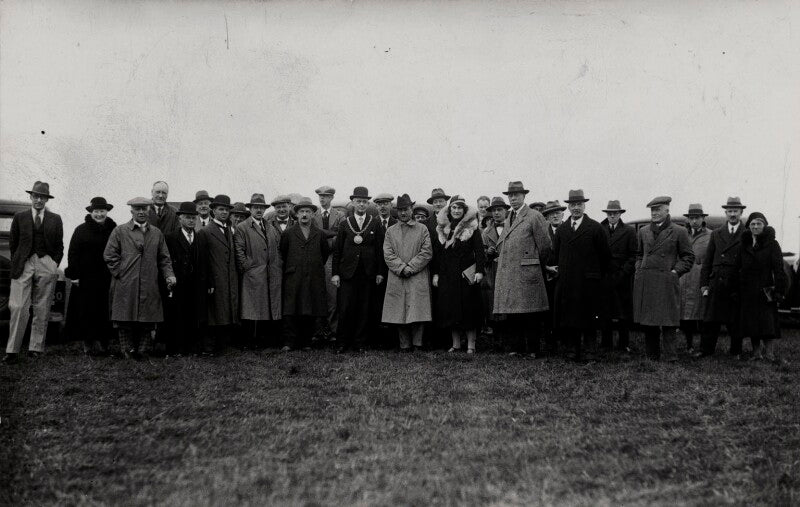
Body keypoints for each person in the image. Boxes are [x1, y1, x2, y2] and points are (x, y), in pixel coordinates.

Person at [104, 197, 176, 359]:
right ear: (132, 211)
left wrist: (169, 275)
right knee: (124, 318)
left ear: (149, 210)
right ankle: (127, 349)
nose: (142, 212)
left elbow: (164, 258)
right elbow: (109, 255)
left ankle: (143, 350)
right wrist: (121, 273)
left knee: (148, 318)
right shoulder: (120, 231)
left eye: (144, 209)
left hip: (149, 282)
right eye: (138, 209)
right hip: (125, 283)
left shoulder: (156, 233)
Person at [3, 181, 63, 364]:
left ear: (46, 199)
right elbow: (13, 243)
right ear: (30, 197)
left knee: (42, 307)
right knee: (18, 306)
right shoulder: (20, 217)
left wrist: (53, 263)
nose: (38, 199)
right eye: (35, 196)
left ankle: (35, 348)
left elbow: (59, 245)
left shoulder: (55, 218)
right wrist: (19, 261)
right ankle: (12, 351)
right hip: (24, 264)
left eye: (42, 197)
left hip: (46, 262)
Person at [493, 181, 552, 358]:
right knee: (513, 311)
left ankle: (533, 349)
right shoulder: (509, 217)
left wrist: (534, 263)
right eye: (510, 195)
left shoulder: (534, 216)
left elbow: (545, 245)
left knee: (530, 313)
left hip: (528, 271)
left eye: (516, 195)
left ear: (524, 196)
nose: (513, 198)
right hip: (510, 273)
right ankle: (516, 347)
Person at [632, 196, 694, 361]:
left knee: (668, 321)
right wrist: (639, 268)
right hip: (647, 279)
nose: (654, 213)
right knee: (649, 320)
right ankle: (651, 355)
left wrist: (675, 272)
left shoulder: (679, 231)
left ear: (667, 210)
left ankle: (670, 356)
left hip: (666, 280)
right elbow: (639, 254)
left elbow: (688, 257)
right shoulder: (643, 231)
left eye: (658, 209)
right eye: (652, 210)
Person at [552, 190, 611, 361]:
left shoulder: (595, 228)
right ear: (568, 207)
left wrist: (596, 276)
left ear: (584, 206)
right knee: (570, 317)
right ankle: (572, 350)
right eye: (573, 205)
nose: (576, 208)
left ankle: (590, 352)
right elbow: (556, 254)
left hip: (589, 283)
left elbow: (605, 256)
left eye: (579, 204)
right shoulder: (562, 230)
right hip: (568, 282)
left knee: (589, 318)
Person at [331, 187, 385, 352]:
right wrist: (335, 274)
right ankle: (342, 343)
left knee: (364, 308)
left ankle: (360, 343)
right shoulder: (344, 223)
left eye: (364, 202)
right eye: (358, 201)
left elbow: (380, 250)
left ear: (368, 204)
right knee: (346, 308)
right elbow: (337, 251)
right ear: (353, 203)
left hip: (367, 273)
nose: (361, 205)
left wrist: (380, 272)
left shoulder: (374, 222)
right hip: (347, 273)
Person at [432, 196, 486, 353]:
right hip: (448, 276)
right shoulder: (443, 228)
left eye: (459, 208)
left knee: (469, 310)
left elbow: (479, 251)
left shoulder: (472, 227)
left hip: (465, 275)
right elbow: (439, 255)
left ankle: (471, 345)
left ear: (464, 211)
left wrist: (479, 271)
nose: (456, 211)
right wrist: (436, 274)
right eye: (453, 208)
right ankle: (455, 344)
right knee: (450, 309)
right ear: (449, 210)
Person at [65, 197, 116, 356]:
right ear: (91, 212)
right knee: (86, 311)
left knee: (104, 311)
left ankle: (104, 344)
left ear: (106, 212)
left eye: (102, 211)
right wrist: (74, 275)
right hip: (85, 279)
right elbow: (72, 253)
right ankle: (87, 345)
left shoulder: (114, 230)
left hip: (107, 278)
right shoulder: (81, 230)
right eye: (96, 211)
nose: (99, 214)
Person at [382, 194, 434, 351]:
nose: (403, 213)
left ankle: (418, 344)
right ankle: (404, 345)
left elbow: (427, 252)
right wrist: (401, 268)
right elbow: (388, 253)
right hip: (397, 275)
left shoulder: (422, 229)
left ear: (412, 209)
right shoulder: (391, 231)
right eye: (400, 210)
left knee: (418, 309)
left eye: (406, 209)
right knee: (399, 310)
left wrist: (411, 268)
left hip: (417, 275)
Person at [699, 197, 747, 358]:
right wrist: (704, 284)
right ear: (725, 213)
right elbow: (708, 261)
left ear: (741, 213)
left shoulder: (746, 234)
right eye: (730, 211)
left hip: (736, 282)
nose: (732, 214)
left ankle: (736, 352)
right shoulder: (717, 234)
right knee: (711, 320)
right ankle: (706, 351)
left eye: (735, 211)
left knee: (735, 320)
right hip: (717, 281)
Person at [736, 212, 788, 362]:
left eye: (759, 224)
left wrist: (779, 290)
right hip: (748, 290)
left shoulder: (772, 244)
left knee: (767, 323)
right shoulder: (744, 245)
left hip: (766, 290)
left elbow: (779, 269)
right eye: (752, 224)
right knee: (752, 323)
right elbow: (737, 267)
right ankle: (756, 353)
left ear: (764, 226)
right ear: (748, 227)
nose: (755, 226)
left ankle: (769, 354)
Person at [280, 197, 330, 351]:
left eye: (308, 211)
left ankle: (306, 341)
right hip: (293, 276)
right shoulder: (288, 233)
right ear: (296, 214)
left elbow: (324, 253)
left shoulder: (320, 234)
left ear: (313, 214)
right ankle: (289, 342)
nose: (304, 214)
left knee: (309, 308)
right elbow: (283, 252)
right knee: (291, 308)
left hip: (313, 276)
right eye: (301, 211)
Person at [234, 194, 283, 349]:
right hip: (253, 274)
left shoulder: (270, 227)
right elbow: (239, 250)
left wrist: (277, 264)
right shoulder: (243, 227)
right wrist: (248, 266)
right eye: (256, 207)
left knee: (267, 307)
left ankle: (264, 341)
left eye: (261, 208)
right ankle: (248, 342)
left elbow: (278, 247)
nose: (259, 210)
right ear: (250, 209)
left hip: (271, 273)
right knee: (251, 309)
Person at [196, 194, 239, 356]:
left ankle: (222, 344)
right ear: (213, 211)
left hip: (228, 279)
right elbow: (202, 262)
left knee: (225, 312)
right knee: (212, 313)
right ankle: (209, 346)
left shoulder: (229, 230)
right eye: (221, 209)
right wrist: (208, 282)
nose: (224, 212)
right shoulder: (205, 232)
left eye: (227, 210)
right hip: (214, 279)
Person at [164, 202, 204, 355]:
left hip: (195, 285)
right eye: (187, 217)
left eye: (194, 218)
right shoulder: (171, 238)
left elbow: (204, 263)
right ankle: (176, 348)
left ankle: (192, 348)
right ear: (180, 219)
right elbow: (166, 260)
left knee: (193, 316)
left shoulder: (200, 238)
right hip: (178, 284)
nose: (191, 221)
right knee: (177, 316)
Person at [599, 200, 636, 353]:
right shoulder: (600, 229)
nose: (612, 216)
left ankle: (623, 344)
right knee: (605, 312)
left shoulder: (629, 231)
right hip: (605, 277)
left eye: (615, 213)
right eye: (609, 213)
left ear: (620, 214)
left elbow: (634, 256)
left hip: (622, 278)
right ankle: (606, 343)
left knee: (623, 313)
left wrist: (623, 272)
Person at [313, 185, 345, 343]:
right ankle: (318, 331)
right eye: (320, 196)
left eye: (325, 196)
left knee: (332, 296)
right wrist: (330, 234)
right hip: (315, 259)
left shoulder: (339, 215)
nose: (322, 198)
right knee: (316, 295)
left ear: (332, 198)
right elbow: (311, 235)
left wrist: (322, 236)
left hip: (332, 259)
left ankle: (333, 331)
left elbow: (340, 237)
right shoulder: (312, 215)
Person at [679, 204, 711, 354]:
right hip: (684, 277)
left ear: (703, 218)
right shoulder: (682, 234)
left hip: (700, 278)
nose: (694, 221)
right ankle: (688, 345)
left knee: (701, 313)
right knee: (685, 314)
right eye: (691, 218)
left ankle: (703, 347)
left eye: (697, 218)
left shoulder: (710, 235)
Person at [481, 196, 509, 339]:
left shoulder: (512, 228)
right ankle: (497, 340)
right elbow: (480, 255)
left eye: (500, 210)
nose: (497, 213)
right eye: (494, 210)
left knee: (508, 304)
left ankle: (509, 339)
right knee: (493, 304)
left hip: (508, 271)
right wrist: (487, 253)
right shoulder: (486, 232)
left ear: (506, 211)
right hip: (492, 271)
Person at [541, 200, 566, 354]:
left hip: (565, 277)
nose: (555, 216)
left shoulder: (569, 229)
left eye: (557, 212)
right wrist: (547, 268)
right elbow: (537, 253)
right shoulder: (542, 232)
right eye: (551, 213)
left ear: (562, 214)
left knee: (563, 309)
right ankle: (550, 343)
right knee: (548, 310)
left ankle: (564, 341)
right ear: (547, 217)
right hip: (547, 277)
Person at [373, 193, 397, 349]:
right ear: (376, 206)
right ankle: (377, 338)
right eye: (380, 204)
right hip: (375, 270)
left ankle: (393, 338)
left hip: (393, 269)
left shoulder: (396, 223)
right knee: (376, 302)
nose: (383, 206)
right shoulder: (371, 223)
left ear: (391, 205)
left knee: (393, 302)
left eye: (386, 203)